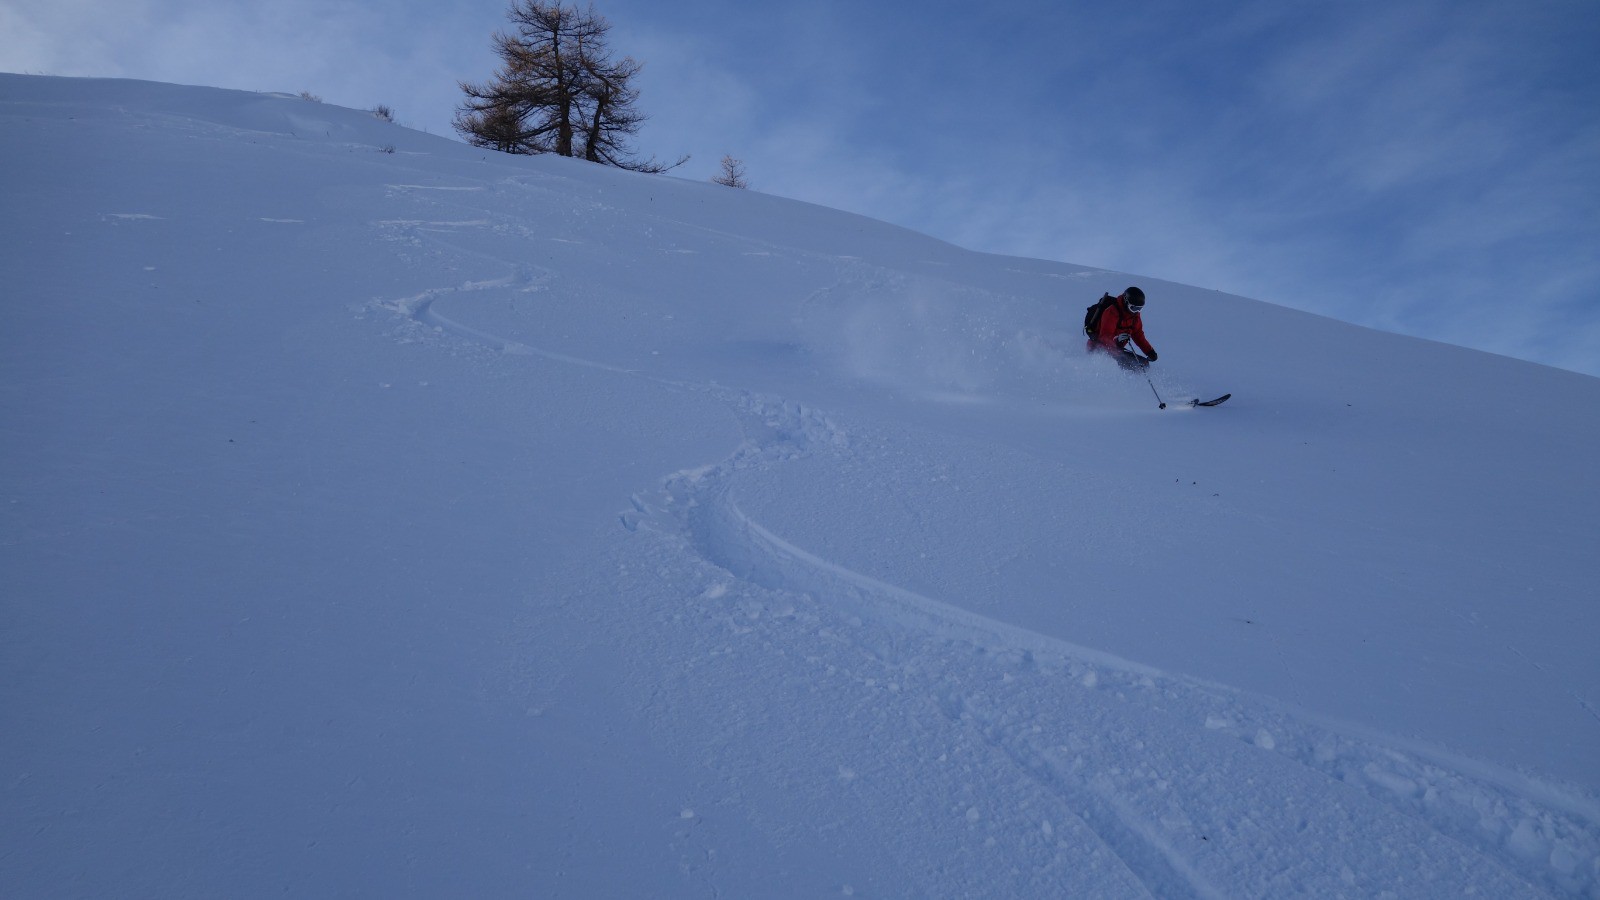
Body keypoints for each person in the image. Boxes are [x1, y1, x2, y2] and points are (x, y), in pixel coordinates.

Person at [1086, 286, 1157, 370]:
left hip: (1116, 350)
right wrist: (1117, 340)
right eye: (1134, 308)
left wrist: (1149, 351)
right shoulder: (1112, 312)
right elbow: (1105, 337)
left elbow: (1138, 336)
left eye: (1139, 309)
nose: (1136, 311)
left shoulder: (1135, 317)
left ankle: (1137, 381)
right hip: (1099, 349)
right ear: (1126, 302)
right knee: (1129, 366)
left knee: (1143, 364)